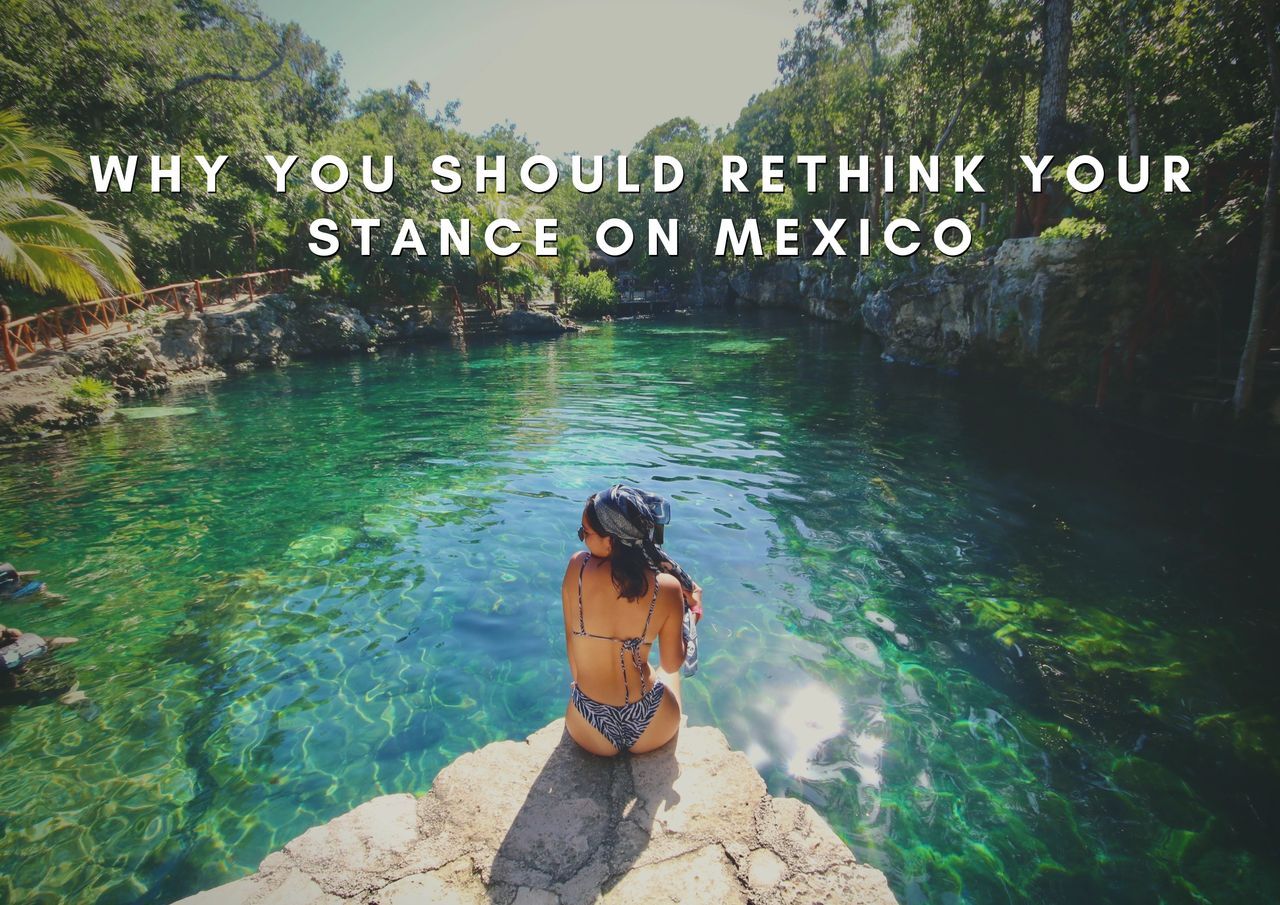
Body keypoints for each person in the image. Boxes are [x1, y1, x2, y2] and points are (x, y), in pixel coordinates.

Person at [561, 484, 702, 756]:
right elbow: (672, 664)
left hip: (588, 726)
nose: (582, 540)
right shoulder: (667, 586)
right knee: (662, 674)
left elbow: (571, 644)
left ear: (610, 541)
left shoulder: (576, 567)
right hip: (652, 726)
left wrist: (581, 687)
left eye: (585, 533)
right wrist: (693, 613)